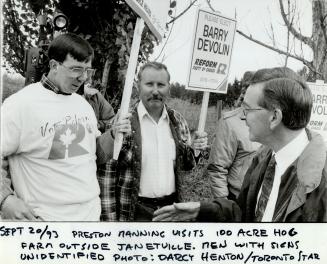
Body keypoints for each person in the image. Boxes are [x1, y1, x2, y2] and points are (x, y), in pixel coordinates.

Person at [153, 67, 327, 222]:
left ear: (274, 117)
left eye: (247, 109)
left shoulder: (322, 186)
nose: (243, 117)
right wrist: (202, 211)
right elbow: (244, 214)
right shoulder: (263, 157)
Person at [0, 33, 130, 221]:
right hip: (44, 222)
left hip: (90, 218)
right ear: (54, 65)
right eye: (76, 69)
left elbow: (94, 156)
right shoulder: (20, 104)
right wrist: (5, 199)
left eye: (88, 70)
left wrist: (113, 134)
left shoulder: (83, 105)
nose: (83, 77)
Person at [98, 61, 208, 221]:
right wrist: (111, 225)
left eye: (161, 85)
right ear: (138, 86)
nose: (155, 91)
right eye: (149, 84)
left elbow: (186, 165)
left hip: (171, 210)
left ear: (168, 87)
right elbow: (107, 176)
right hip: (136, 213)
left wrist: (195, 149)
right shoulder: (123, 122)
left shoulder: (177, 120)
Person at [207, 77, 261, 200]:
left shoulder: (271, 121)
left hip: (261, 199)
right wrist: (224, 204)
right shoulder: (230, 122)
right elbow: (217, 167)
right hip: (237, 197)